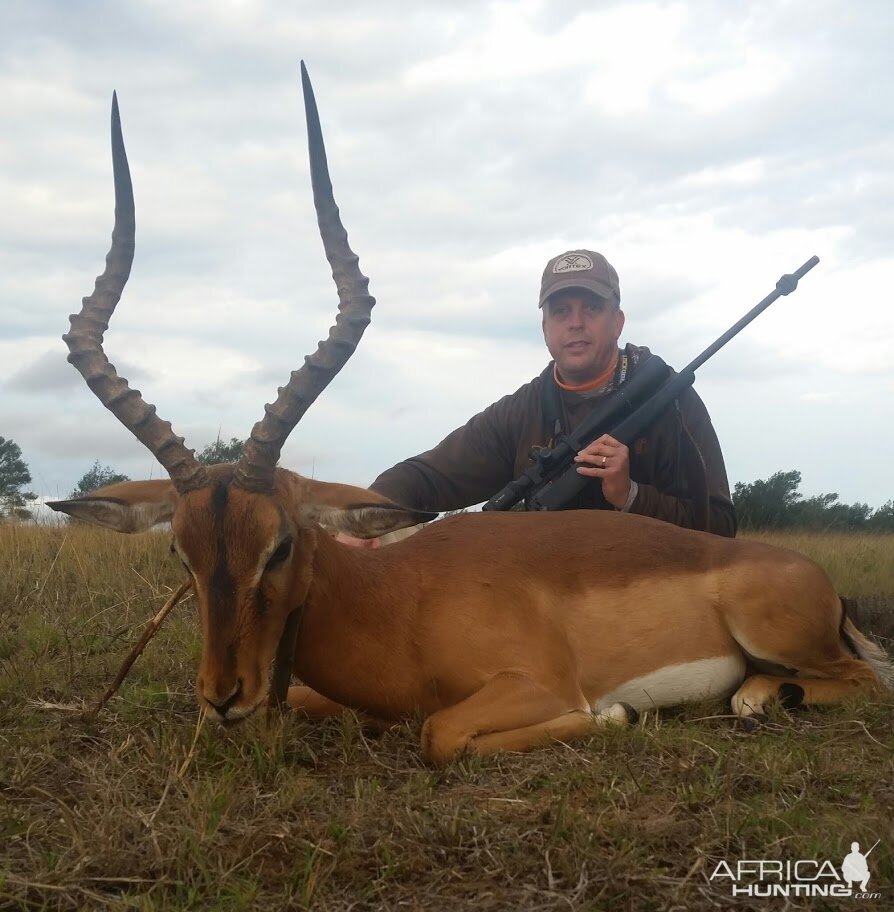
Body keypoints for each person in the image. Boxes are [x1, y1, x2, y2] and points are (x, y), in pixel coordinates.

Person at [366, 249, 736, 537]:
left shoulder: (672, 400)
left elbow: (719, 526)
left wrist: (631, 496)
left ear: (617, 322)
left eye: (591, 308)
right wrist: (365, 515)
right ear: (545, 328)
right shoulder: (520, 411)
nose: (575, 323)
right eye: (561, 311)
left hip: (648, 601)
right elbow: (429, 475)